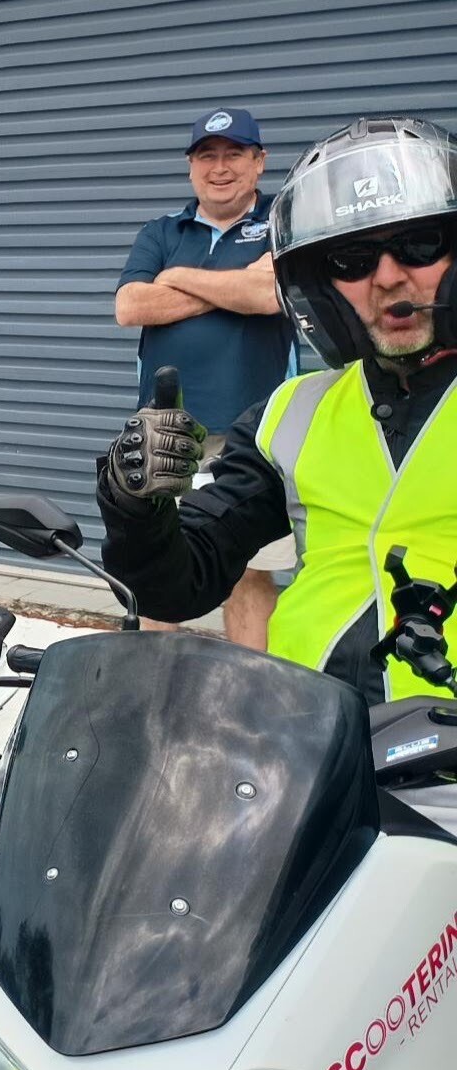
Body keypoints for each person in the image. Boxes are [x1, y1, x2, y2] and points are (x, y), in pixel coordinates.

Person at [98, 116, 457, 706]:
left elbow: (254, 294)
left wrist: (183, 283)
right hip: (302, 739)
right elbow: (180, 583)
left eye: (419, 246)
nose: (389, 277)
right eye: (352, 261)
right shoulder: (290, 417)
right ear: (318, 285)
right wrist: (138, 507)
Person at [114, 108, 297, 645]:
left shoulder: (283, 222)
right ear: (192, 168)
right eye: (207, 156)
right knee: (156, 562)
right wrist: (233, 285)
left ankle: (250, 691)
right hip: (164, 428)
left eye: (234, 153)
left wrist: (177, 280)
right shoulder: (161, 230)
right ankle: (153, 681)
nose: (220, 168)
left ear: (259, 162)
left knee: (248, 567)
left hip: (252, 432)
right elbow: (129, 306)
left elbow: (270, 294)